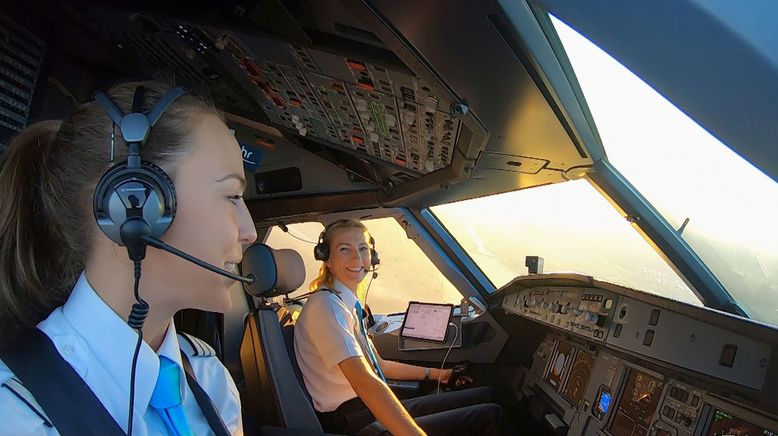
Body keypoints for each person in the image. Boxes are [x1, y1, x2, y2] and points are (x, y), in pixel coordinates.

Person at [0, 81, 258, 435]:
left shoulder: (209, 378)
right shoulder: (17, 414)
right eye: (231, 196)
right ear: (131, 204)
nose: (250, 231)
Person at [294, 219, 505, 436]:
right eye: (344, 249)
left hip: (364, 406)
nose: (357, 257)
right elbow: (364, 381)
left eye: (363, 248)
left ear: (372, 257)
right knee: (489, 414)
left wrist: (440, 374)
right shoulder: (326, 307)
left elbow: (380, 366)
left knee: (487, 395)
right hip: (352, 419)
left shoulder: (344, 303)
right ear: (326, 257)